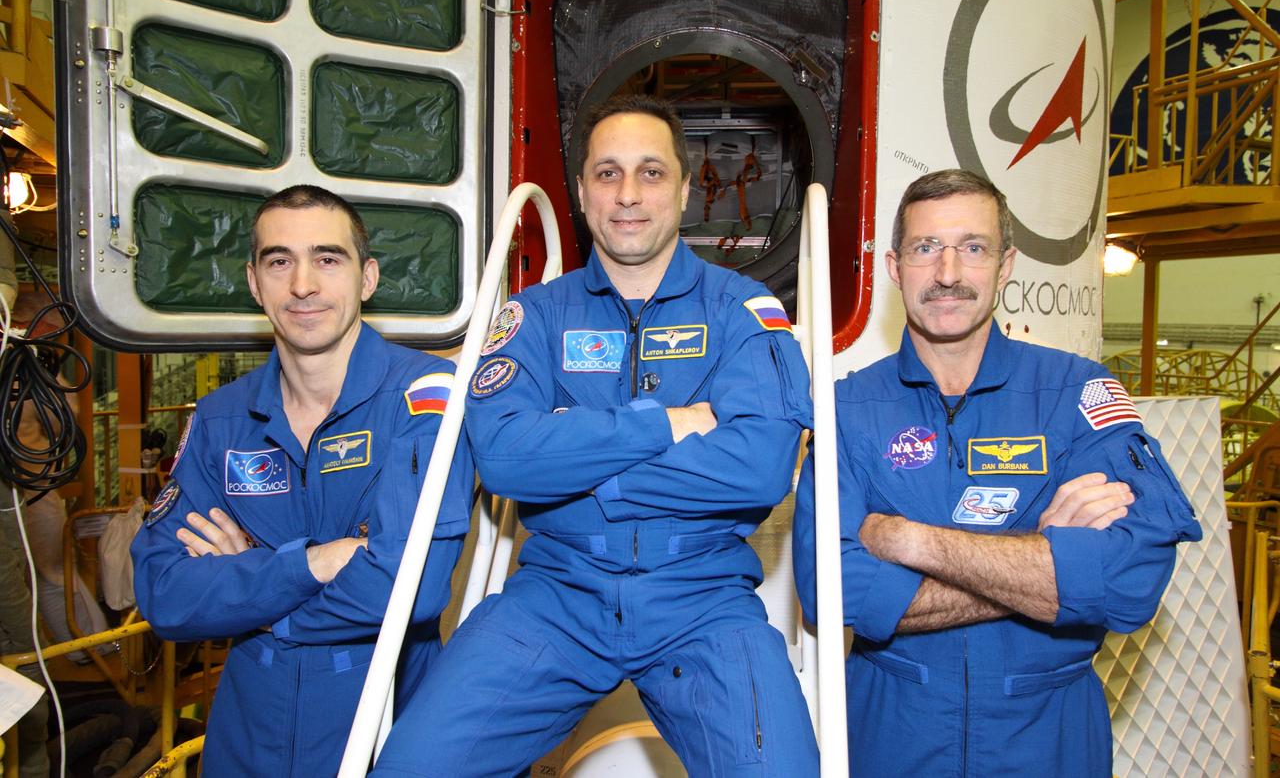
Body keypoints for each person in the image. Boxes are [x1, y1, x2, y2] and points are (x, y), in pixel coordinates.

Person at [371, 95, 819, 776]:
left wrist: (580, 464)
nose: (628, 193)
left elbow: (759, 467)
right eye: (608, 173)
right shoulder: (534, 316)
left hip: (701, 595)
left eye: (651, 172)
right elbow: (506, 458)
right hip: (557, 593)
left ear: (685, 188)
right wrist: (666, 424)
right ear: (581, 192)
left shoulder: (740, 310)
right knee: (412, 766)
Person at [793, 168, 1203, 776]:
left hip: (1049, 741)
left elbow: (1129, 580)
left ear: (1006, 264)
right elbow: (831, 591)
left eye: (973, 248)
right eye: (926, 247)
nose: (948, 273)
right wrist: (1043, 563)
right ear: (894, 268)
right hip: (894, 737)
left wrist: (910, 540)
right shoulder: (846, 409)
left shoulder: (1078, 393)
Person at [131, 185, 475, 777]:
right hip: (245, 741)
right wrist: (315, 563)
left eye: (327, 258)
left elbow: (410, 588)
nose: (302, 285)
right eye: (279, 261)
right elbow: (166, 594)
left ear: (367, 278)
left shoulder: (423, 398)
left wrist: (256, 598)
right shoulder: (220, 420)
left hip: (384, 732)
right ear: (253, 282)